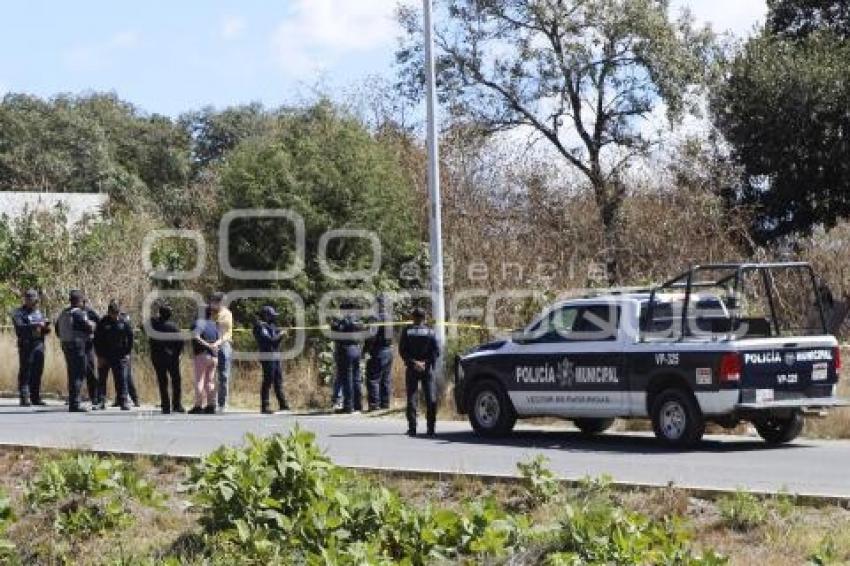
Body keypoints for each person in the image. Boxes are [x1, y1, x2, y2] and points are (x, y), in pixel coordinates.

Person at [399, 307, 440, 436]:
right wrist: (426, 363)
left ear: (413, 318)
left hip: (412, 368)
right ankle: (431, 429)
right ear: (424, 318)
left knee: (412, 398)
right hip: (427, 369)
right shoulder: (430, 332)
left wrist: (413, 362)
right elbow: (436, 351)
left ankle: (412, 428)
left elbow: (402, 350)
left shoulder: (407, 331)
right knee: (430, 398)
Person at [56, 290, 96, 412]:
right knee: (78, 375)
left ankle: (74, 401)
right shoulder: (78, 313)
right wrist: (93, 325)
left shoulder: (64, 312)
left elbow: (57, 329)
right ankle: (75, 403)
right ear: (80, 301)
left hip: (66, 345)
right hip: (78, 346)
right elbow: (89, 328)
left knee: (72, 374)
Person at [12, 289, 50, 407]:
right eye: (30, 299)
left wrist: (45, 327)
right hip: (26, 344)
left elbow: (44, 329)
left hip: (39, 344)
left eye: (34, 299)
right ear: (26, 299)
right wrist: (35, 325)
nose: (33, 302)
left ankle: (35, 397)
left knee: (37, 371)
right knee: (26, 371)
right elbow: (20, 327)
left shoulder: (38, 312)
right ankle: (24, 398)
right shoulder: (19, 313)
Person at [93, 301, 134, 411]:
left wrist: (127, 353)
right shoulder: (103, 322)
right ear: (109, 312)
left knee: (121, 380)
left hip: (120, 356)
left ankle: (123, 401)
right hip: (105, 356)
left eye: (117, 313)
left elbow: (130, 338)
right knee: (102, 379)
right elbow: (96, 340)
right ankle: (100, 401)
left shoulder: (123, 322)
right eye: (113, 313)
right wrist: (99, 356)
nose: (115, 316)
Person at [149, 304, 185, 414]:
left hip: (157, 357)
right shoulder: (173, 327)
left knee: (162, 381)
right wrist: (177, 354)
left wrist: (155, 318)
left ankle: (165, 406)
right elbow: (180, 342)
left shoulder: (154, 325)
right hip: (172, 358)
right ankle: (176, 405)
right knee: (176, 381)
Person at [253, 305, 289, 414]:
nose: (274, 318)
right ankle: (265, 406)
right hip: (267, 356)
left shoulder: (271, 326)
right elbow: (270, 341)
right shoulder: (260, 326)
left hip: (275, 356)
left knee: (278, 379)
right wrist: (281, 335)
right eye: (272, 316)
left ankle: (283, 404)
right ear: (266, 316)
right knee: (268, 380)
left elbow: (276, 341)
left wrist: (281, 334)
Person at [330, 304, 365, 414]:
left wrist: (333, 326)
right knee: (356, 378)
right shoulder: (358, 320)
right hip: (356, 349)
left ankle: (348, 406)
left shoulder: (343, 321)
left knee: (347, 380)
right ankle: (358, 405)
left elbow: (336, 334)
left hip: (346, 350)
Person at [365, 295, 394, 411]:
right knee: (385, 379)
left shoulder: (375, 318)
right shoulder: (389, 317)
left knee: (374, 378)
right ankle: (385, 404)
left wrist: (366, 350)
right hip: (389, 350)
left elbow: (371, 337)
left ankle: (374, 404)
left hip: (378, 351)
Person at [190, 307, 219, 415]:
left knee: (200, 380)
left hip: (202, 354)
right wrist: (214, 347)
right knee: (210, 381)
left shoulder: (198, 323)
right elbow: (218, 338)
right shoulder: (213, 324)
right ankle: (211, 405)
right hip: (214, 356)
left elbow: (196, 336)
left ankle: (198, 405)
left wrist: (208, 345)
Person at [209, 292, 233, 413]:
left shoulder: (225, 314)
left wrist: (217, 343)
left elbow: (224, 333)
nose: (211, 303)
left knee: (223, 375)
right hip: (210, 344)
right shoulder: (210, 314)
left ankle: (222, 403)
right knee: (210, 376)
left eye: (213, 301)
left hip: (223, 345)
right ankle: (210, 402)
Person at [81, 299, 101, 407]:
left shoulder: (90, 312)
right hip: (76, 346)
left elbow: (100, 325)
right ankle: (75, 397)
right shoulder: (70, 312)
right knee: (75, 373)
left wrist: (93, 332)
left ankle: (95, 397)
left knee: (91, 372)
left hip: (89, 346)